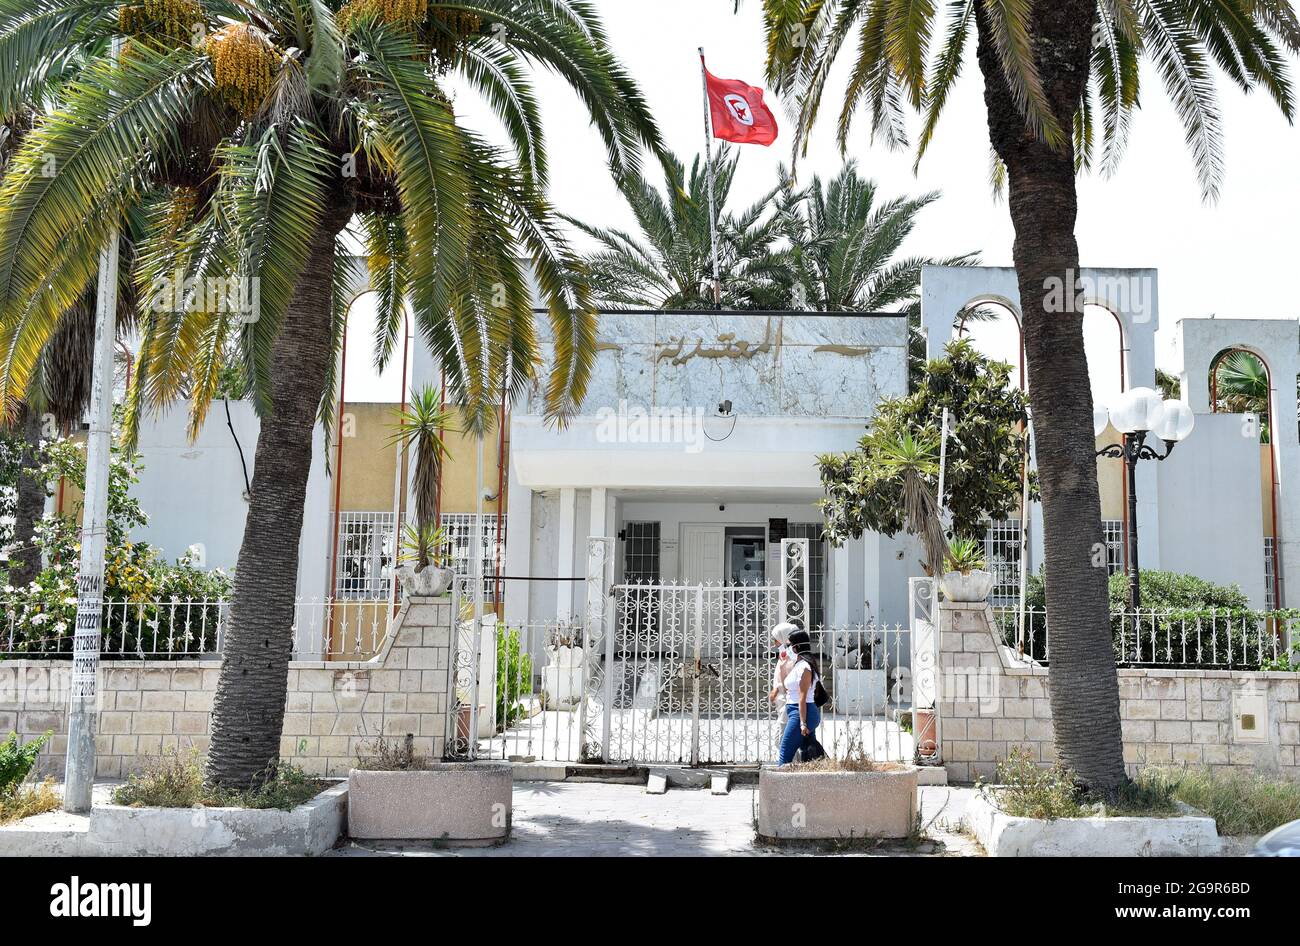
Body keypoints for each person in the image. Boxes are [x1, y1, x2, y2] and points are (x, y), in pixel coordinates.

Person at [778, 628, 822, 765]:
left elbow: (802, 697)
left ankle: (777, 784)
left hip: (802, 712)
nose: (786, 648)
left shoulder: (805, 667)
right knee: (809, 753)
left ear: (797, 647)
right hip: (795, 711)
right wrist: (783, 665)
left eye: (788, 645)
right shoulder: (798, 665)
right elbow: (787, 687)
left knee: (785, 751)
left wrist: (803, 723)